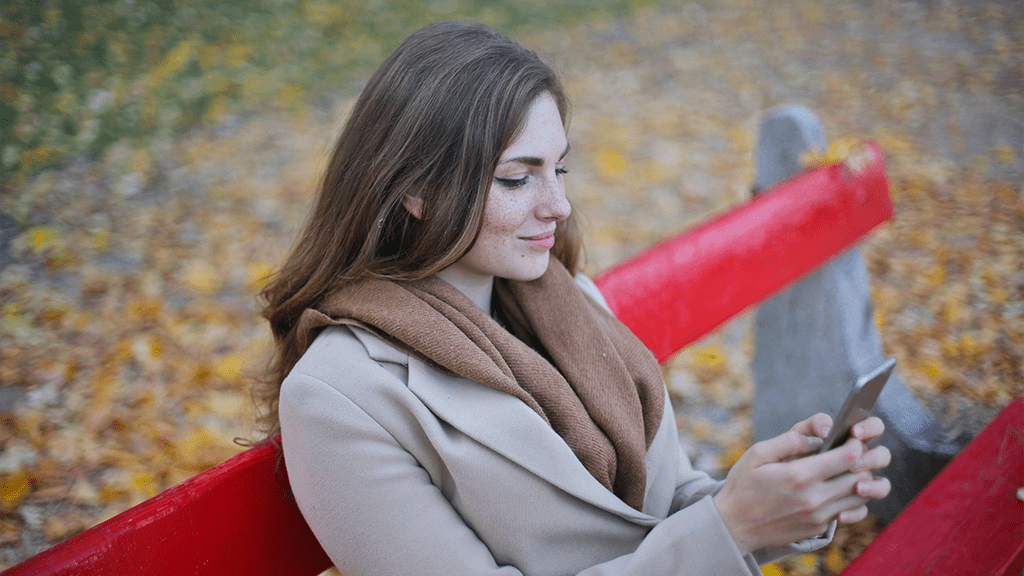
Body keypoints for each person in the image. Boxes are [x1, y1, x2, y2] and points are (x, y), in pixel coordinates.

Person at [256, 20, 891, 576]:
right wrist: (732, 526)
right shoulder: (339, 396)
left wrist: (785, 495)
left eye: (558, 169)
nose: (557, 205)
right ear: (418, 190)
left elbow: (660, 510)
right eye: (516, 177)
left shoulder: (569, 303)